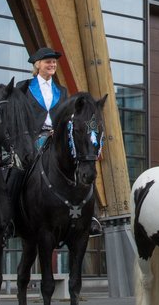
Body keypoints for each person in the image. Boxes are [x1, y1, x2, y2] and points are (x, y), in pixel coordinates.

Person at [16, 47, 102, 237]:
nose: (52, 64)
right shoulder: (24, 88)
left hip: (56, 140)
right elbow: (18, 116)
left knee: (83, 166)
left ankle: (92, 217)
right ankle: (9, 216)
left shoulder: (62, 92)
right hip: (32, 139)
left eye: (54, 62)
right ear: (38, 65)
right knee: (17, 171)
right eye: (48, 61)